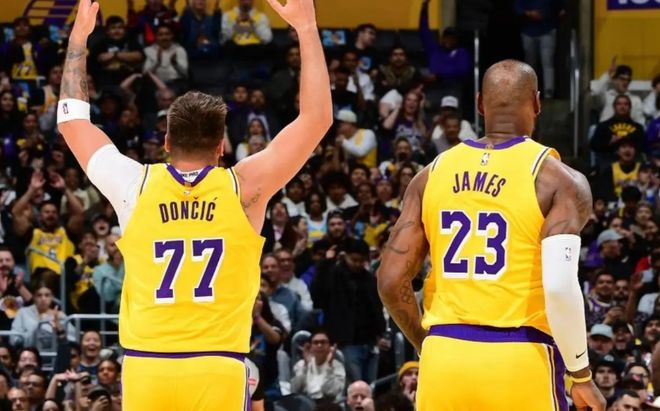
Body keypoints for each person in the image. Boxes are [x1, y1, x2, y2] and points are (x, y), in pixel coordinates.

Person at [56, 1, 331, 410]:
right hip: (217, 365)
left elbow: (72, 121)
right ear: (221, 147)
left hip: (148, 366)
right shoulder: (243, 188)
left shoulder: (134, 185)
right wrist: (306, 28)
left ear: (167, 143)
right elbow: (316, 119)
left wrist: (79, 36)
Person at [377, 60, 606, 410]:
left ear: (480, 104)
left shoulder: (429, 175)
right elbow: (559, 287)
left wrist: (428, 344)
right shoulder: (558, 180)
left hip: (445, 357)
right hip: (521, 354)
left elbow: (391, 281)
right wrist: (581, 374)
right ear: (537, 103)